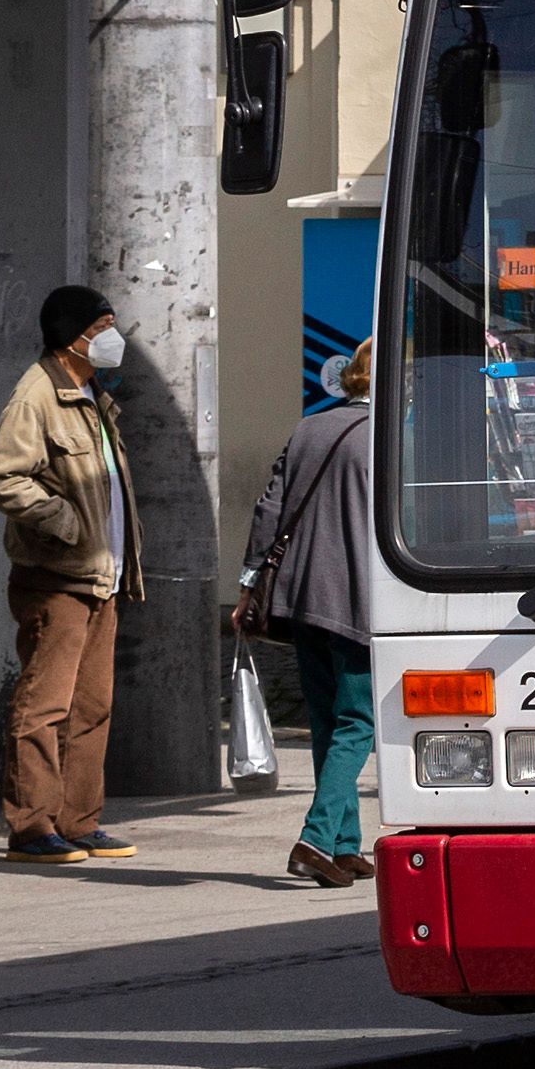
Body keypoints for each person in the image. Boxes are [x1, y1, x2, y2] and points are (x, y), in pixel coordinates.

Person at [0, 286, 142, 863]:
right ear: (72, 335)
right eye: (103, 324)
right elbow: (3, 476)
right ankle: (31, 827)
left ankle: (79, 820)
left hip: (102, 578)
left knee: (91, 707)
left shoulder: (90, 394)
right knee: (43, 706)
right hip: (56, 579)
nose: (112, 335)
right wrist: (64, 521)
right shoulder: (36, 395)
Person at [240, 341, 377, 886]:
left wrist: (250, 584)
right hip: (356, 596)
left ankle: (345, 843)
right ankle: (317, 837)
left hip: (299, 597)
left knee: (327, 719)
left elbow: (268, 505)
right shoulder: (388, 437)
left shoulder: (308, 429)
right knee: (358, 720)